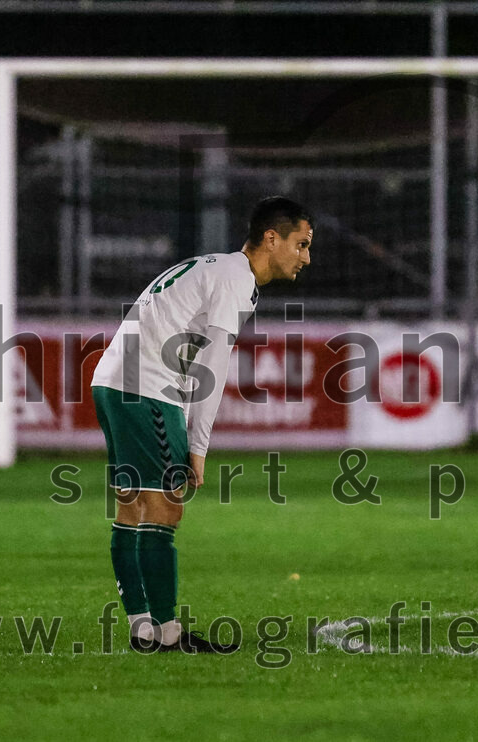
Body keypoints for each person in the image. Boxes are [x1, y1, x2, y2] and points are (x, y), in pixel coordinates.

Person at [91, 196, 314, 653]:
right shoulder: (235, 280)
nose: (306, 257)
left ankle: (143, 629)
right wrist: (198, 447)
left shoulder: (216, 268)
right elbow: (210, 371)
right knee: (166, 508)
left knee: (132, 506)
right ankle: (168, 634)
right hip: (147, 387)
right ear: (272, 239)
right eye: (302, 244)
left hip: (114, 381)